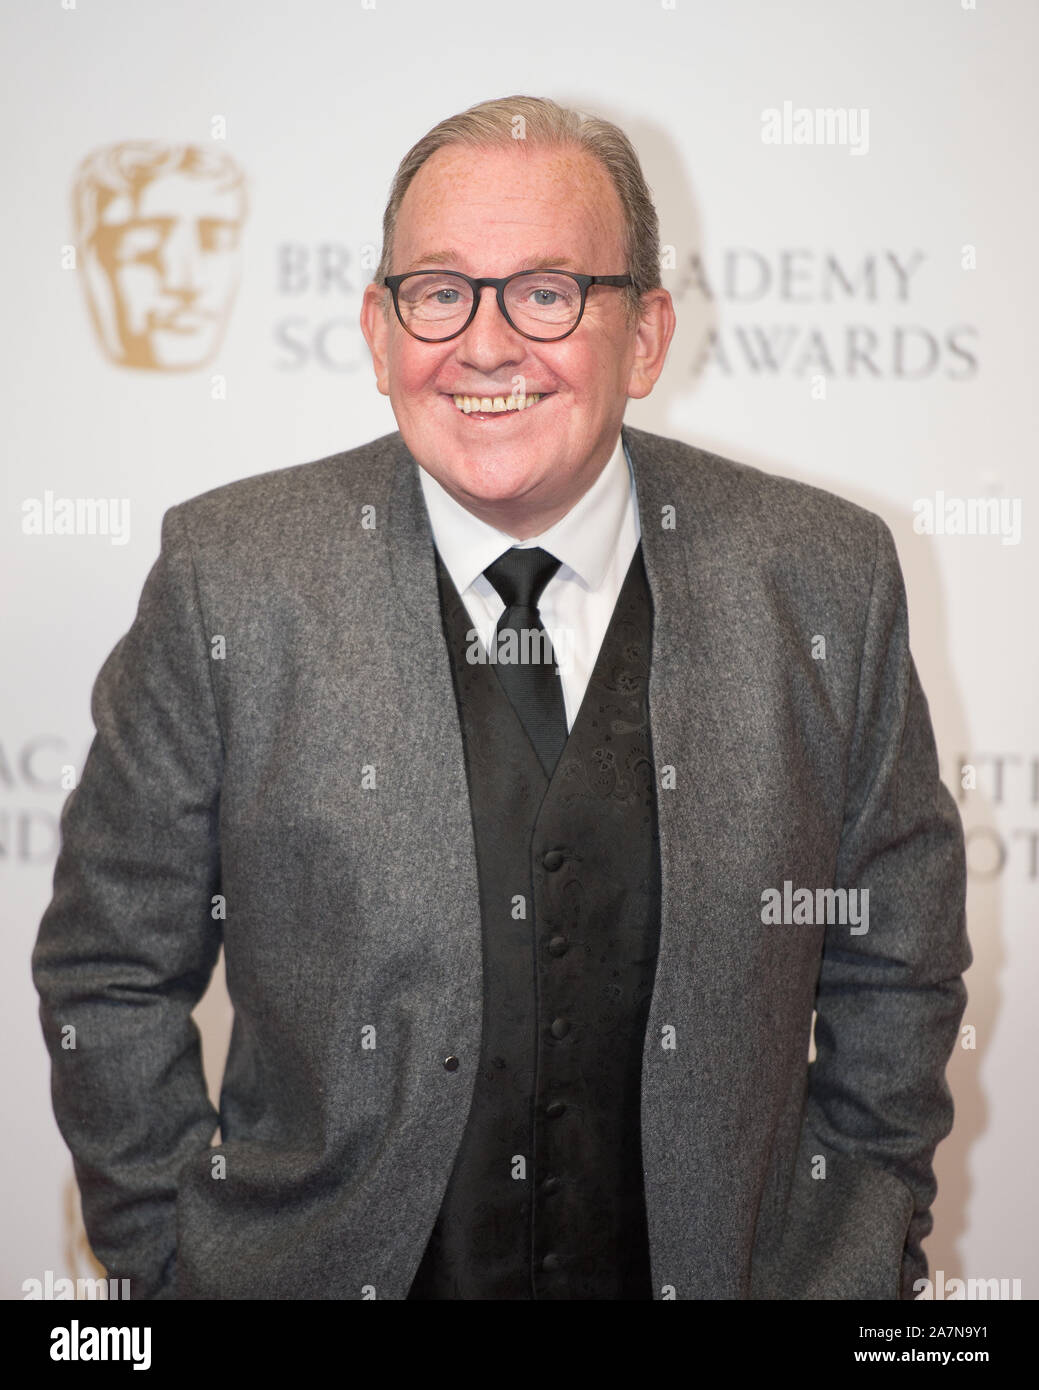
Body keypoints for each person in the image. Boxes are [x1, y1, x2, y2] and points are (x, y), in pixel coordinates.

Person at [32, 94, 970, 1301]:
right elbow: (108, 965)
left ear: (644, 335)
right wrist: (177, 1262)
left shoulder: (822, 575)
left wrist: (852, 1251)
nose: (483, 345)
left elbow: (897, 955)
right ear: (378, 331)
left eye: (546, 290)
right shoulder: (230, 579)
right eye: (438, 290)